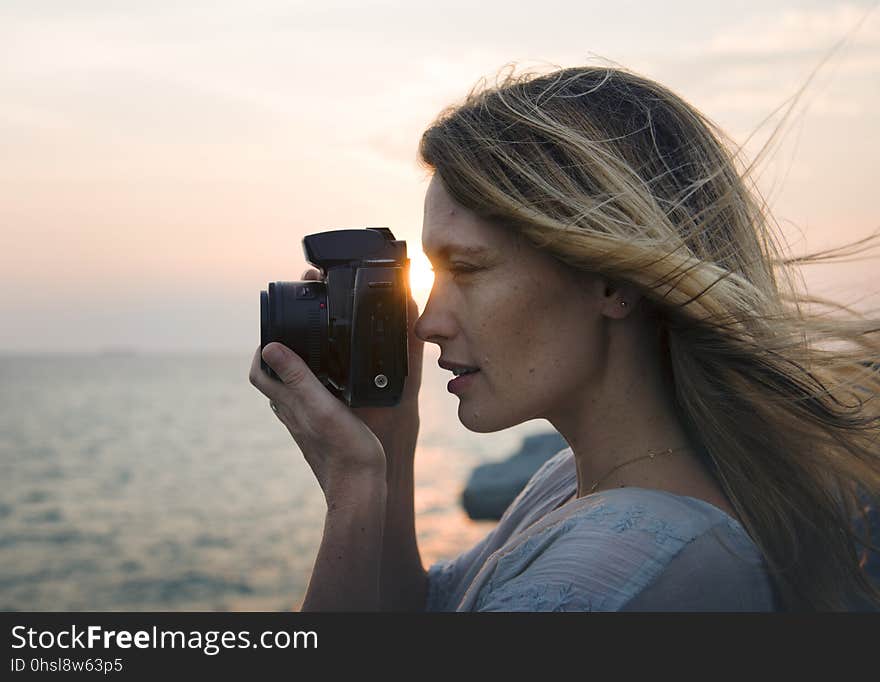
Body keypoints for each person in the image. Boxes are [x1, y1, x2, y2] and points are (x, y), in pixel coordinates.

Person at [249, 64, 880, 611]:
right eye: (433, 277)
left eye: (467, 269)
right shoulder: (580, 482)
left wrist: (354, 496)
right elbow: (420, 613)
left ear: (610, 281)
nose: (426, 322)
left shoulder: (630, 576)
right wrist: (387, 449)